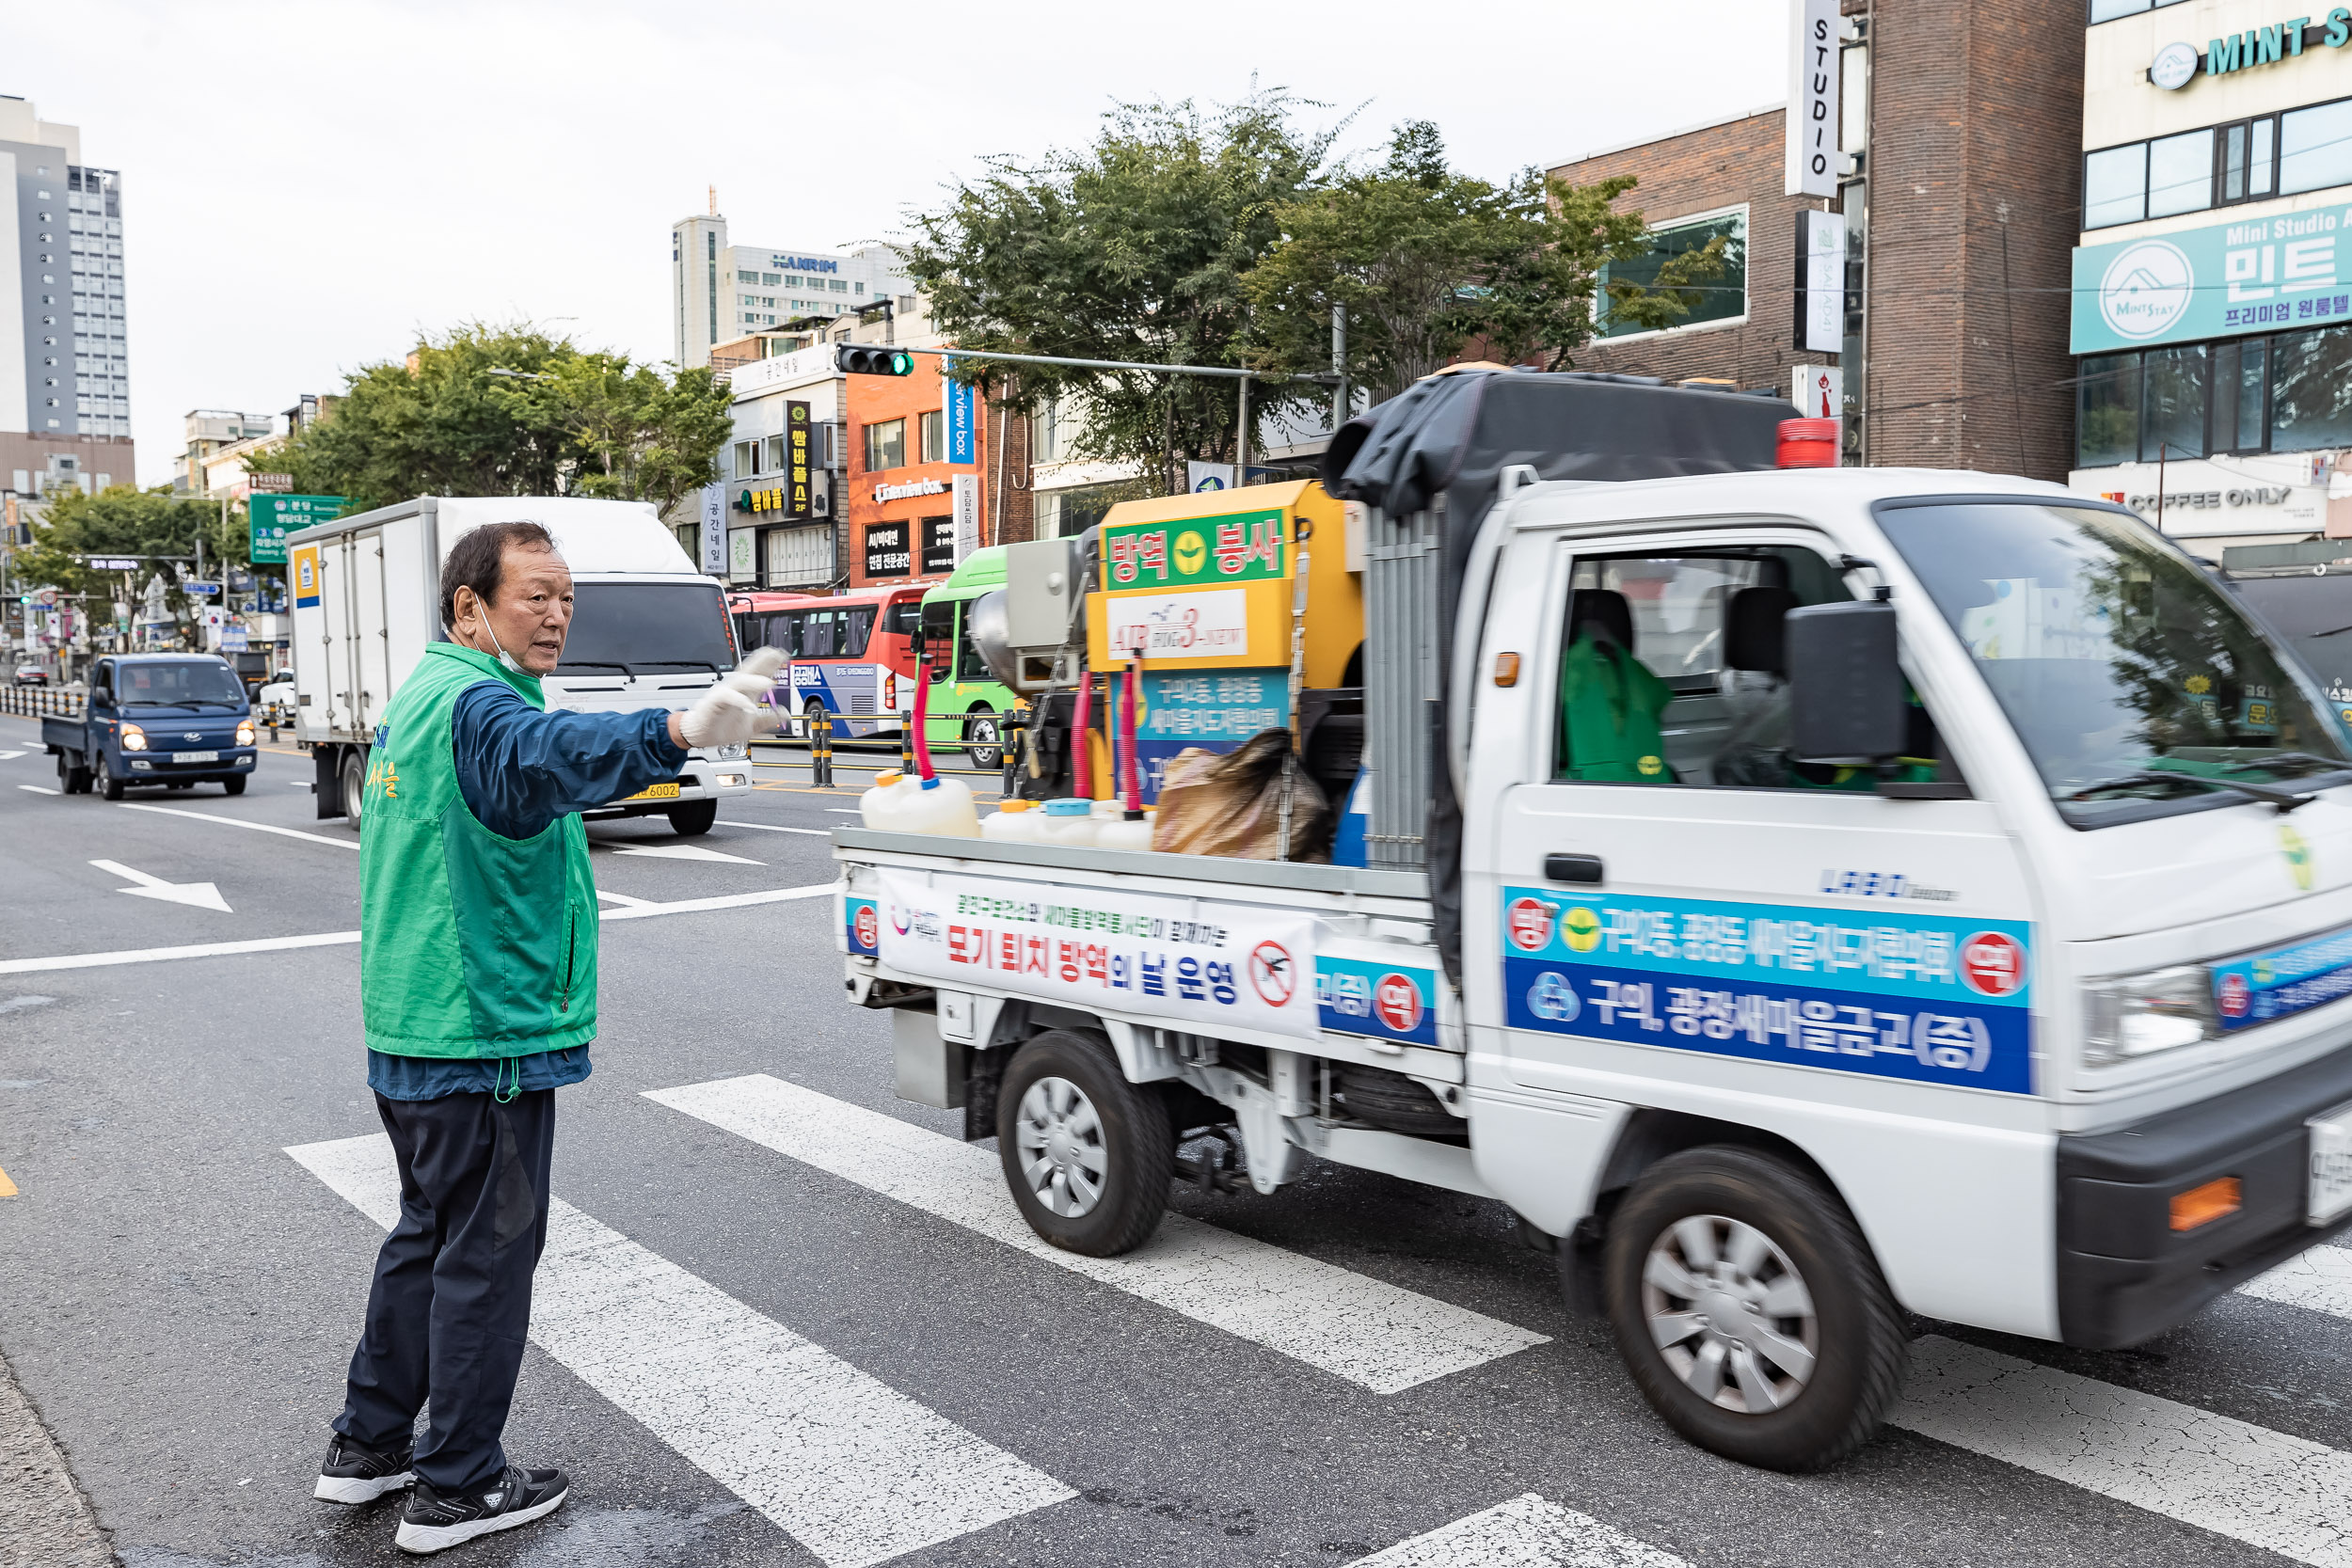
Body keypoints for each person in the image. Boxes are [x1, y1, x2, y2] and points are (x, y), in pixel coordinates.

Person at [310, 520, 780, 1556]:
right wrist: (674, 730)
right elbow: (545, 753)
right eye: (534, 594)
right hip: (484, 1035)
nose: (557, 612)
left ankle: (368, 1446)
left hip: (417, 1022)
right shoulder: (481, 706)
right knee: (484, 1252)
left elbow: (538, 758)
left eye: (565, 595)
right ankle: (459, 1484)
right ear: (468, 606)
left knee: (427, 1237)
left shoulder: (424, 697)